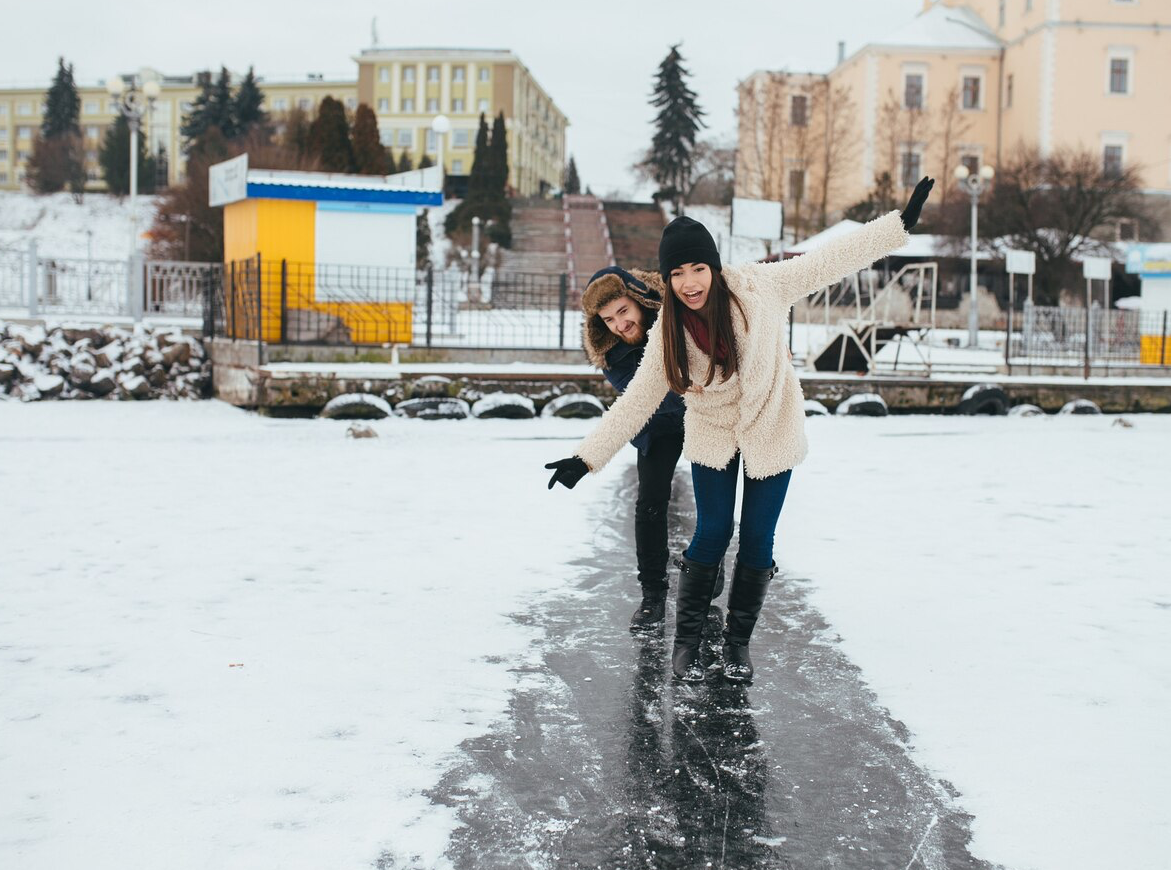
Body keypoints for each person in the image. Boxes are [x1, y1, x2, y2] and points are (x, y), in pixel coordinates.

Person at [546, 177, 934, 683]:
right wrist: (586, 457)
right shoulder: (668, 330)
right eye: (678, 273)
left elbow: (828, 259)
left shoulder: (761, 287)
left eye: (698, 269)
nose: (689, 283)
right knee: (711, 532)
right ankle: (686, 645)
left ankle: (737, 645)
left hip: (772, 422)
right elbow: (635, 402)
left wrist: (896, 227)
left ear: (714, 266)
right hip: (712, 431)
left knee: (757, 539)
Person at [581, 266, 719, 632]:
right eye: (608, 319)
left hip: (705, 416)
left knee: (715, 495)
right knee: (650, 503)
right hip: (657, 424)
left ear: (640, 301)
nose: (619, 325)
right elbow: (654, 400)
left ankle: (706, 568)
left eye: (623, 312)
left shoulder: (677, 320)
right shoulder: (611, 352)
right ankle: (653, 594)